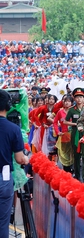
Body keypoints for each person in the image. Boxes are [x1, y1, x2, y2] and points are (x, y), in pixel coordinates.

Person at [1, 90, 30, 238]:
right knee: (2, 222)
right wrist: (26, 159)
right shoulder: (14, 129)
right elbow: (20, 159)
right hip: (3, 178)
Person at [66, 88, 84, 179]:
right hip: (75, 133)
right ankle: (78, 176)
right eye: (77, 97)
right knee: (76, 155)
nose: (79, 99)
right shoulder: (71, 110)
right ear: (74, 98)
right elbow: (65, 122)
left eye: (81, 97)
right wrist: (75, 124)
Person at [53, 95, 74, 172]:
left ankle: (72, 168)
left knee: (73, 152)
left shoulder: (74, 111)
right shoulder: (60, 112)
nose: (67, 103)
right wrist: (58, 132)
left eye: (69, 101)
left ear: (71, 103)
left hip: (73, 135)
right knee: (64, 153)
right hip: (64, 135)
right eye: (65, 101)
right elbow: (55, 122)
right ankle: (66, 170)